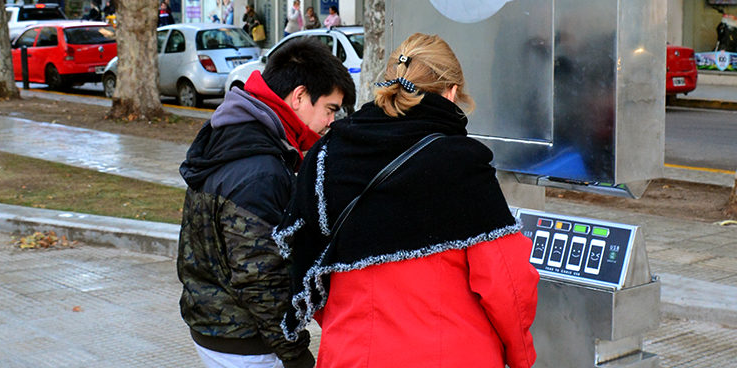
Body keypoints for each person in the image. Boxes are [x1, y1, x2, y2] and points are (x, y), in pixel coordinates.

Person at [276, 33, 539, 368]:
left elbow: (307, 262)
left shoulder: (327, 155)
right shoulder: (460, 163)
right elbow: (506, 283)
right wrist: (520, 356)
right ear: (452, 92)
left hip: (351, 355)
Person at [178, 38, 356, 368]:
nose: (332, 121)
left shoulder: (237, 130)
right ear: (300, 96)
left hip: (217, 324)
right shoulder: (261, 169)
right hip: (245, 342)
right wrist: (297, 354)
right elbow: (260, 279)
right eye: (330, 109)